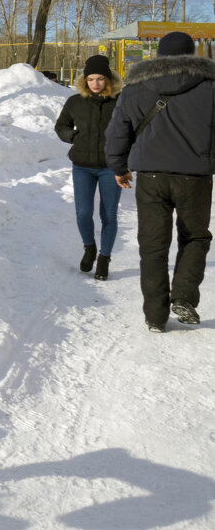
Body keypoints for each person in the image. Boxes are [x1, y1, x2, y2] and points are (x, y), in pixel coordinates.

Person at [105, 31, 215, 332]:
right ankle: (183, 296)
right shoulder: (210, 87)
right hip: (195, 176)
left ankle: (155, 315)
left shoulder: (136, 87)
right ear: (192, 54)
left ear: (159, 55)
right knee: (195, 237)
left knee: (153, 244)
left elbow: (117, 131)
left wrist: (119, 165)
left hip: (151, 177)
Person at [55, 54, 123, 279]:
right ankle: (89, 247)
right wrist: (72, 137)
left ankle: (104, 258)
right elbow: (61, 125)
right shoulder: (75, 101)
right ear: (85, 80)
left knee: (109, 215)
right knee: (83, 213)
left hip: (110, 166)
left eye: (100, 79)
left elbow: (132, 130)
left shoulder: (120, 102)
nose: (95, 83)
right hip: (82, 166)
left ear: (109, 79)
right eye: (91, 79)